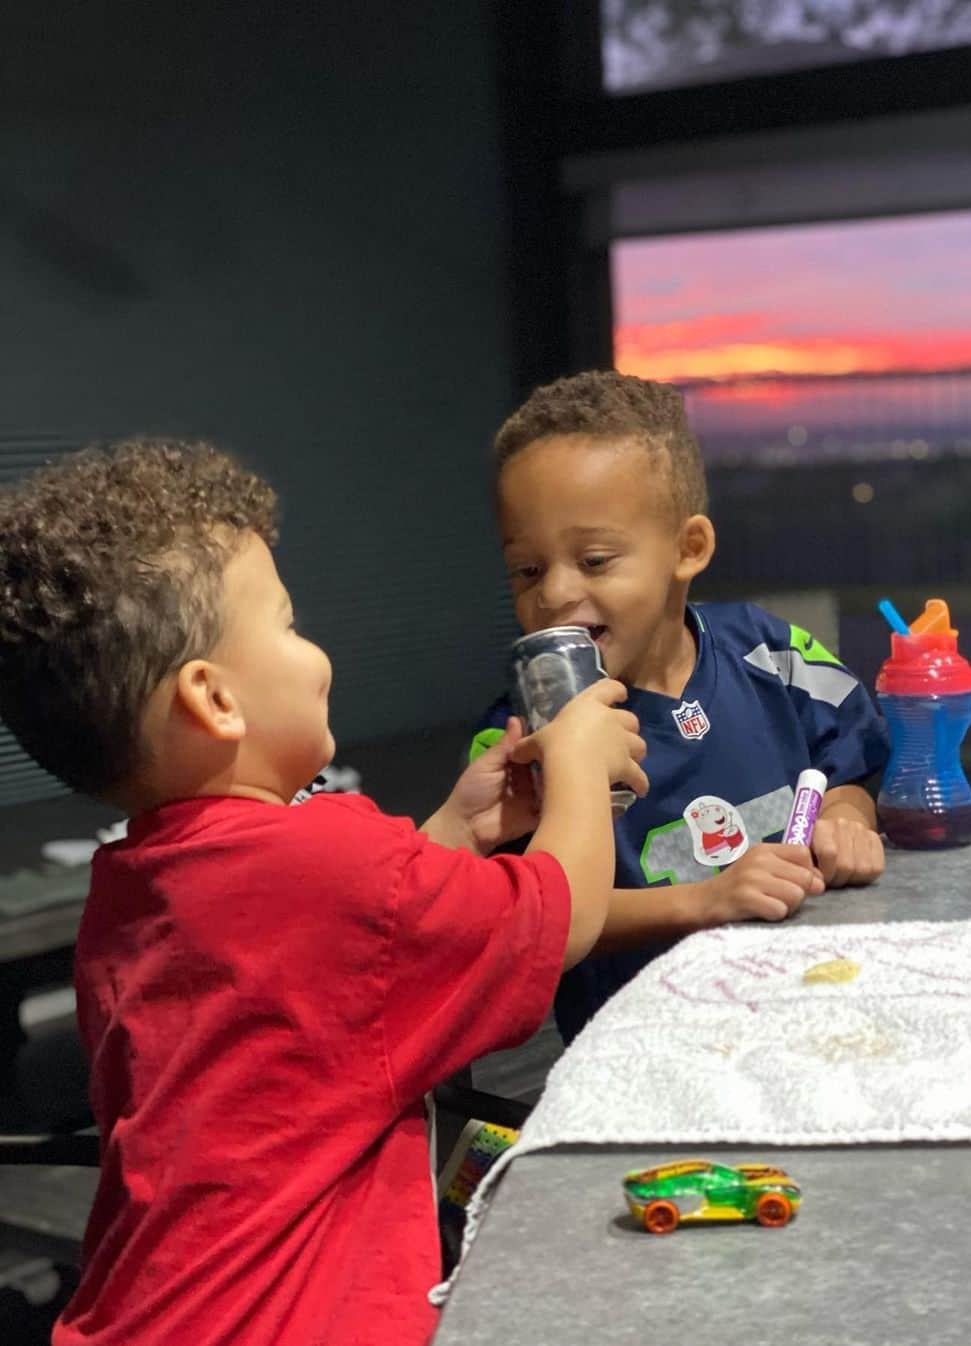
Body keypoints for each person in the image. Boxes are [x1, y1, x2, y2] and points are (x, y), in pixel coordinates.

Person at [0, 438, 646, 1346]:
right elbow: (562, 914)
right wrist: (580, 765)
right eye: (291, 624)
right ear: (215, 701)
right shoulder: (329, 856)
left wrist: (458, 829)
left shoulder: (136, 882)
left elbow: (323, 984)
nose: (318, 652)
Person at [473, 370, 890, 1043]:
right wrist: (706, 901)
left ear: (688, 548)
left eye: (595, 559)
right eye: (526, 569)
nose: (553, 593)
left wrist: (845, 820)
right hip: (644, 1054)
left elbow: (848, 766)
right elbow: (528, 921)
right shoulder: (519, 740)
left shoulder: (772, 651)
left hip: (814, 1015)